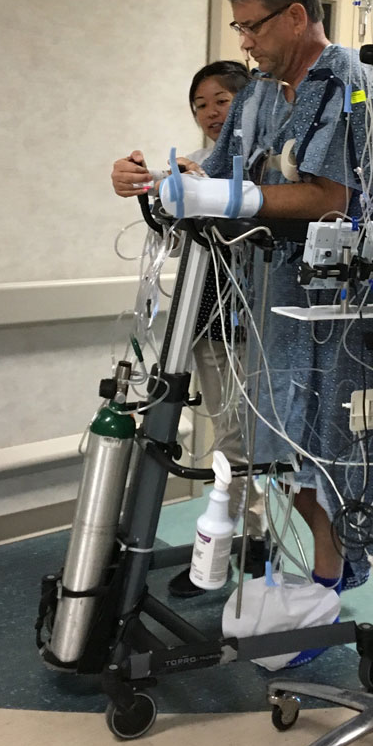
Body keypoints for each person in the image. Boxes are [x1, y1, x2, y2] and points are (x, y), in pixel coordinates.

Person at [112, 0, 373, 594]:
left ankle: (328, 589)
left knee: (329, 457)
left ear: (295, 16)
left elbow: (331, 197)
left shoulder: (349, 83)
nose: (244, 43)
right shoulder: (261, 96)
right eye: (238, 27)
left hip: (339, 310)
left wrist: (241, 198)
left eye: (253, 27)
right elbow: (213, 176)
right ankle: (317, 585)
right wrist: (152, 182)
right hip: (272, 306)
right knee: (283, 454)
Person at [123, 60, 268, 598]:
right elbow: (172, 231)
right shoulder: (196, 166)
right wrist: (152, 186)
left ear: (249, 103)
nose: (210, 113)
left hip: (259, 320)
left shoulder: (268, 166)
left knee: (248, 440)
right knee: (230, 437)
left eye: (222, 101)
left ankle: (240, 548)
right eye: (200, 104)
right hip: (206, 318)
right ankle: (248, 541)